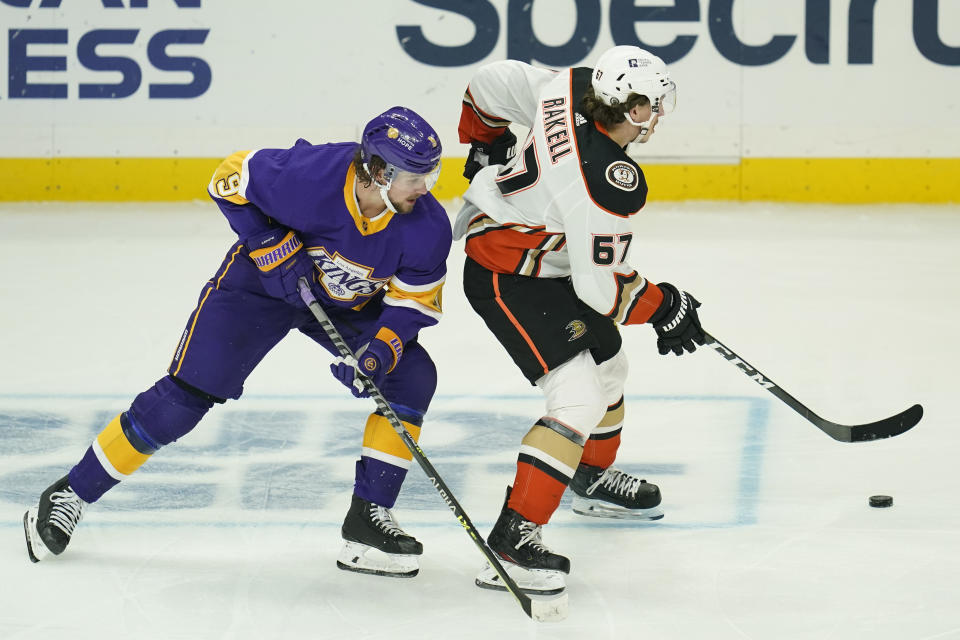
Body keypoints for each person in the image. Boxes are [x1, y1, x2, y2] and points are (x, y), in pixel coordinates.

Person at [23, 106, 453, 579]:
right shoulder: (312, 176)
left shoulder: (428, 226)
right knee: (183, 399)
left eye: (428, 175)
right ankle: (71, 492)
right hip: (261, 288)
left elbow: (413, 301)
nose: (426, 188)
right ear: (377, 171)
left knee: (411, 377)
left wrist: (381, 349)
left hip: (345, 305)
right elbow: (228, 176)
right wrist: (265, 240)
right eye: (415, 177)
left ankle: (368, 520)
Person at [455, 46, 705, 593]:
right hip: (508, 277)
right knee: (578, 399)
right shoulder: (607, 179)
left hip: (542, 257)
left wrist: (484, 142)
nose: (654, 117)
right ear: (626, 106)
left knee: (610, 367)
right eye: (648, 107)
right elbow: (604, 289)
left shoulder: (567, 87)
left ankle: (589, 477)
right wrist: (664, 307)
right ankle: (512, 541)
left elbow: (492, 82)